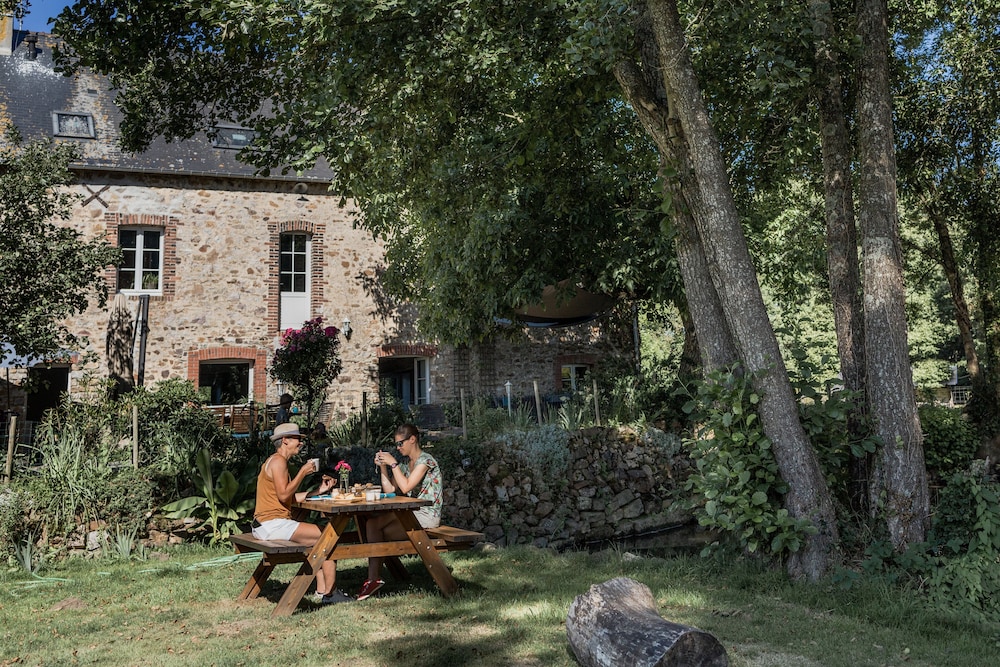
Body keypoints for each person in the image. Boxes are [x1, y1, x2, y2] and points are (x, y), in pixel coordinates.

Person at [252, 422, 352, 604]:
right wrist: (302, 472)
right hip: (272, 524)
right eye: (297, 439)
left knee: (320, 539)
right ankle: (331, 594)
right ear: (285, 440)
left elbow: (286, 498)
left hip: (264, 524)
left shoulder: (275, 461)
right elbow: (284, 494)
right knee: (328, 537)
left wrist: (317, 491)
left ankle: (322, 591)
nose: (300, 443)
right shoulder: (278, 462)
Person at [358, 423, 442, 600]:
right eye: (396, 444)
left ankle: (374, 578)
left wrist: (393, 464)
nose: (398, 447)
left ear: (413, 439)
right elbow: (390, 490)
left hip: (427, 515)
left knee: (377, 530)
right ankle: (372, 579)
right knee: (373, 524)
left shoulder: (426, 461)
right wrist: (383, 466)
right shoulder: (405, 464)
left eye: (400, 443)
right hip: (410, 514)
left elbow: (405, 487)